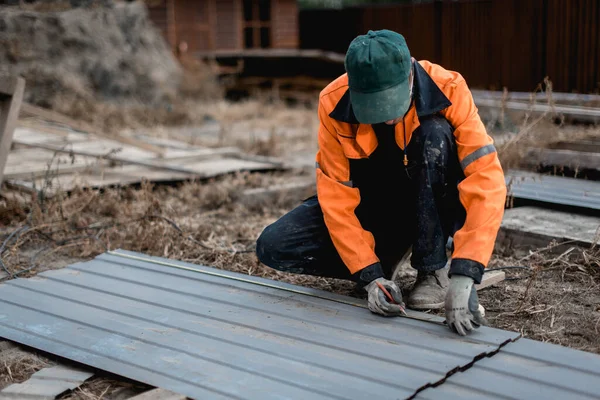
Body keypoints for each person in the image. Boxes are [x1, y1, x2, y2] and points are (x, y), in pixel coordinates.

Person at [255, 29, 506, 336]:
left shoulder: (449, 88)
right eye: (373, 108)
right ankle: (386, 257)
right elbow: (336, 199)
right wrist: (369, 275)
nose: (385, 119)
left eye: (390, 105)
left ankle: (432, 269)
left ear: (410, 77)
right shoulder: (333, 102)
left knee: (434, 135)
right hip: (376, 207)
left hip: (433, 202)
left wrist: (466, 271)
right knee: (275, 245)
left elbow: (486, 180)